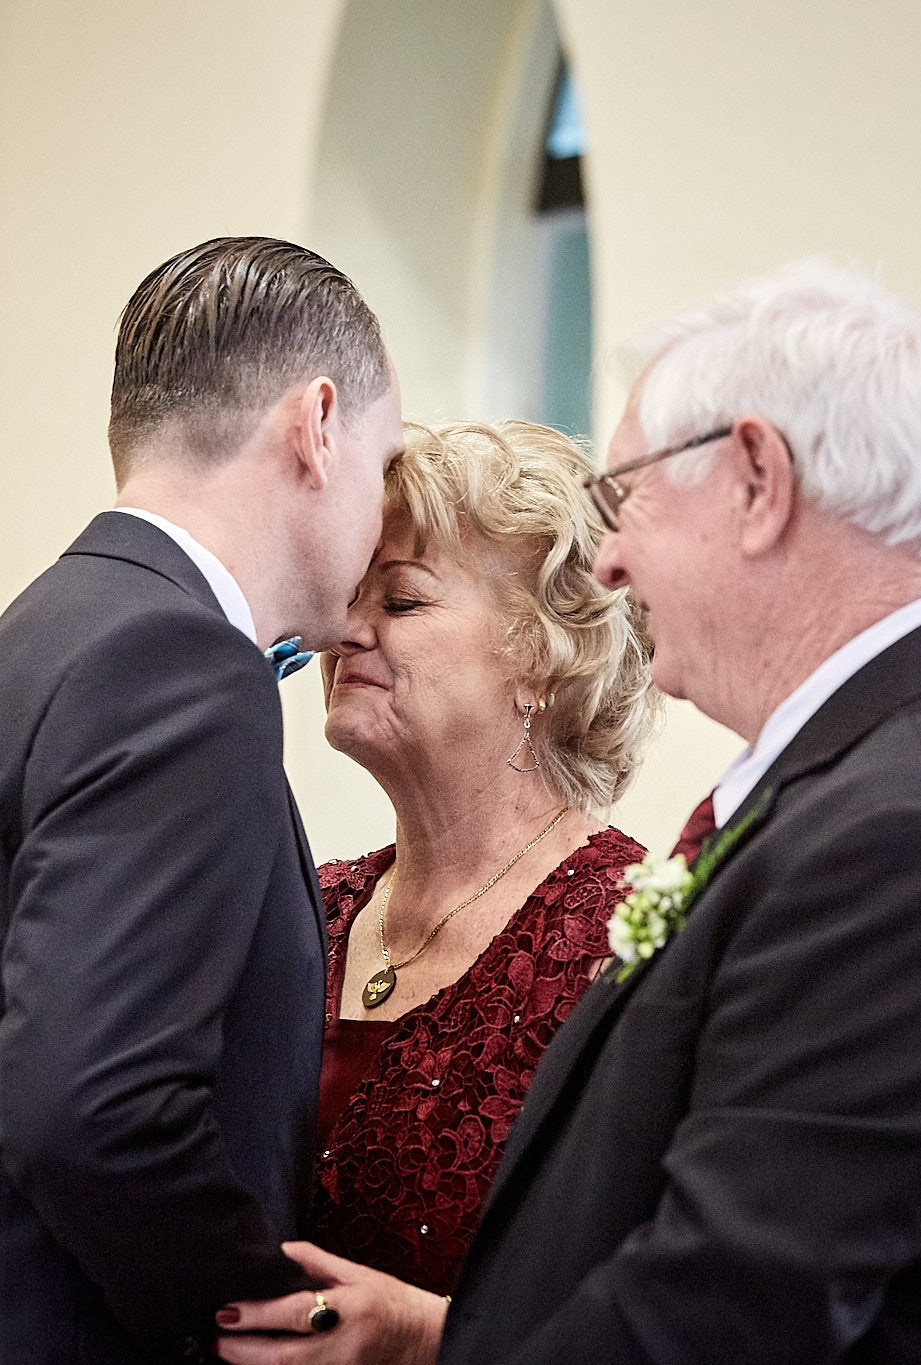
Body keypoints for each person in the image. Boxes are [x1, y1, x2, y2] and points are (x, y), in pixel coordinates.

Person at [434, 260, 921, 1362]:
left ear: (756, 478)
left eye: (623, 500)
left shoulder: (910, 844)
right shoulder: (887, 772)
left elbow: (720, 1307)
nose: (609, 560)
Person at [0, 237, 404, 1365]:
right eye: (382, 460)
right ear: (315, 424)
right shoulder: (179, 663)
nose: (378, 511)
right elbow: (90, 1107)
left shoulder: (64, 623)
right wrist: (271, 1325)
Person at [214, 420, 659, 1365]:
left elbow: (675, 1305)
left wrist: (426, 1338)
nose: (344, 630)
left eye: (404, 599)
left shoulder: (630, 932)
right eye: (348, 597)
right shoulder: (313, 902)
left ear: (545, 653)